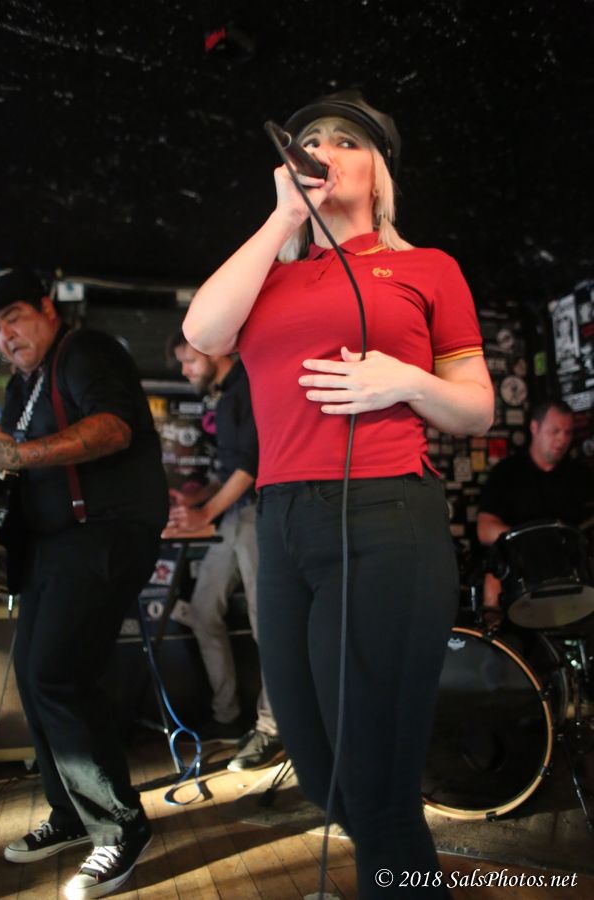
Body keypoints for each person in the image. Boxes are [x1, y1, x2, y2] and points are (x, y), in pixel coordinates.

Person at [181, 90, 493, 898]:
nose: (322, 148)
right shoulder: (273, 275)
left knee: (378, 787)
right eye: (310, 138)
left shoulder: (427, 269)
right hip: (282, 522)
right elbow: (203, 333)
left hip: (384, 518)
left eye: (347, 140)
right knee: (321, 774)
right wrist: (284, 218)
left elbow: (478, 408)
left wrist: (404, 380)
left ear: (380, 174)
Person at [0, 269, 168, 900]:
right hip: (52, 544)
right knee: (35, 679)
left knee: (57, 675)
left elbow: (114, 428)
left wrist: (17, 455)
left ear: (47, 308)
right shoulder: (23, 384)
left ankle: (120, 828)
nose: (5, 336)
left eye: (13, 317)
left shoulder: (85, 350)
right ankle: (71, 812)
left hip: (104, 534)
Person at [165, 333, 283, 770]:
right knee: (201, 611)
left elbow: (251, 466)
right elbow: (230, 470)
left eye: (190, 361)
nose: (185, 371)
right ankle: (227, 716)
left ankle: (273, 727)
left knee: (266, 625)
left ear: (215, 351)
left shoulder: (249, 383)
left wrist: (204, 513)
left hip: (258, 513)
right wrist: (195, 500)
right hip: (233, 514)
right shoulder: (222, 394)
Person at [477, 399, 593, 606]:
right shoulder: (506, 473)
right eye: (555, 431)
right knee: (494, 573)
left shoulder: (581, 476)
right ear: (534, 427)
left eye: (568, 433)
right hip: (520, 569)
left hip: (569, 569)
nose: (562, 439)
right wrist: (534, 542)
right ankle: (493, 623)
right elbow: (485, 530)